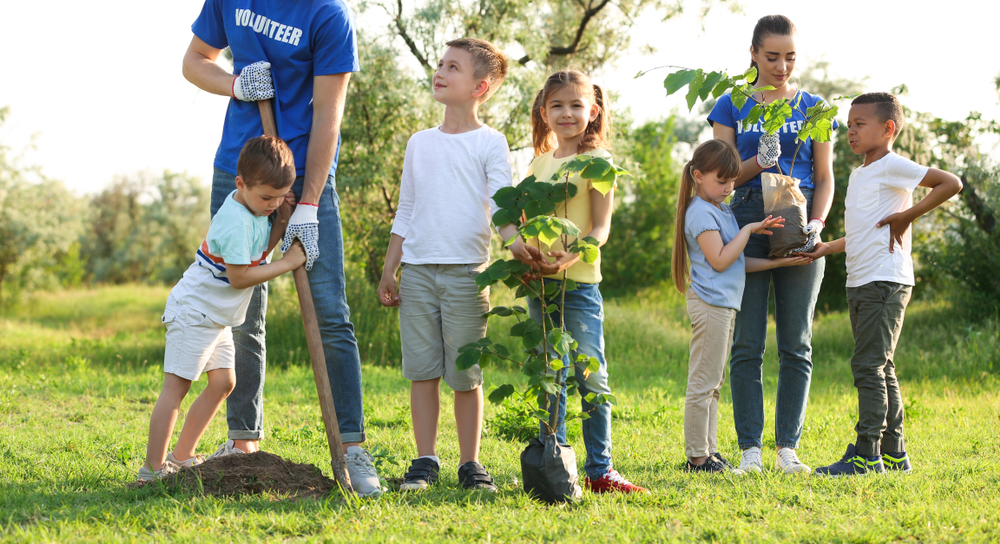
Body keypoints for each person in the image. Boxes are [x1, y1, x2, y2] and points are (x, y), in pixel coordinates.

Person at [182, 0, 384, 496]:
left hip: (306, 173)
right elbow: (194, 61)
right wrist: (233, 84)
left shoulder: (327, 16)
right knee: (240, 311)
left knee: (330, 310)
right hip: (240, 173)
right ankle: (243, 442)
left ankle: (351, 449)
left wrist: (310, 203)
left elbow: (329, 121)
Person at [376, 38, 534, 492]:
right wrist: (392, 269)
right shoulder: (419, 143)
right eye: (440, 64)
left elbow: (503, 210)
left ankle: (471, 464)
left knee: (465, 375)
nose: (439, 71)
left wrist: (517, 248)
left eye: (453, 67)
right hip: (419, 272)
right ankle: (425, 461)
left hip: (469, 273)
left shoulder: (491, 142)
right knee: (422, 371)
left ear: (480, 86)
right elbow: (406, 209)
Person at [799, 93, 962, 476]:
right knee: (881, 366)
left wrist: (907, 215)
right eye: (849, 124)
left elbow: (950, 183)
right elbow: (864, 232)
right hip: (862, 279)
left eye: (860, 124)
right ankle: (893, 452)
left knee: (869, 365)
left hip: (883, 280)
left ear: (888, 129)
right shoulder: (861, 173)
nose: (850, 131)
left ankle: (866, 454)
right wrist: (825, 249)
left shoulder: (891, 166)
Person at [708, 14, 835, 474]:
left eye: (791, 57)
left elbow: (824, 177)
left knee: (796, 343)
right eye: (773, 56)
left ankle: (787, 450)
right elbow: (717, 178)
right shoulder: (732, 103)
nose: (783, 66)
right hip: (745, 222)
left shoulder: (815, 107)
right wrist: (758, 161)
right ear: (754, 54)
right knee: (747, 344)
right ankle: (750, 452)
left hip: (798, 223)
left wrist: (818, 224)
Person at [139, 136, 305, 481]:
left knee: (224, 383)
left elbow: (259, 252)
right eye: (266, 197)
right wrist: (288, 263)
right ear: (240, 184)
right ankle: (152, 469)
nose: (273, 204)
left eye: (279, 196)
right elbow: (241, 277)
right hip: (195, 312)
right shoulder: (235, 220)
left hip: (216, 318)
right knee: (177, 387)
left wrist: (282, 221)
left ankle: (182, 456)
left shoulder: (253, 208)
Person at [521, 70, 646, 494]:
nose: (567, 113)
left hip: (578, 285)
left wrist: (569, 257)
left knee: (590, 375)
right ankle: (550, 459)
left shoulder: (599, 163)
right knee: (548, 374)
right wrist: (530, 258)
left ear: (593, 112)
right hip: (541, 286)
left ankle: (600, 470)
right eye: (557, 105)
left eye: (576, 105)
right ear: (544, 112)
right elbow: (526, 227)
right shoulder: (537, 164)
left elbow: (600, 228)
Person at [671, 139, 812, 473]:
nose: (729, 187)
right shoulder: (699, 212)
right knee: (703, 384)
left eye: (733, 180)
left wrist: (782, 264)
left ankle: (710, 452)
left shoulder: (718, 209)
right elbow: (721, 261)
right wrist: (749, 228)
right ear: (698, 175)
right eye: (722, 180)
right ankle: (696, 456)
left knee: (714, 384)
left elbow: (737, 263)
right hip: (710, 305)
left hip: (723, 306)